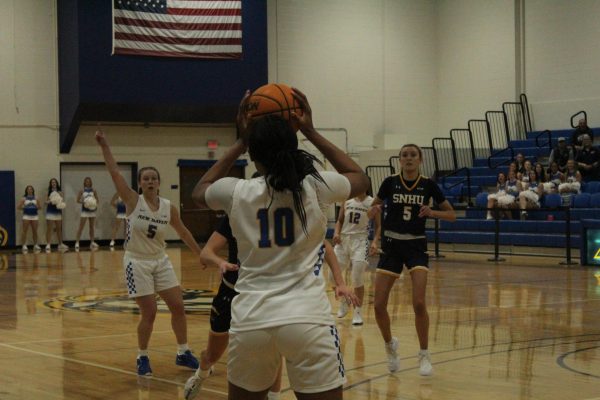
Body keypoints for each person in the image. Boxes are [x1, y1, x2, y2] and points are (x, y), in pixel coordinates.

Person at [192, 88, 369, 400]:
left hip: (251, 322)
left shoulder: (237, 192)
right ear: (293, 144)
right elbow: (359, 177)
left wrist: (241, 140)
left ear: (254, 155)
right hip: (307, 320)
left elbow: (199, 190)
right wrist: (310, 131)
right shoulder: (317, 186)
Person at [184, 215, 357, 400]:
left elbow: (324, 245)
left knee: (275, 348)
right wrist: (220, 262)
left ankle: (274, 396)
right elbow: (206, 252)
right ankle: (200, 375)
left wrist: (340, 282)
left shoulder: (290, 209)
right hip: (231, 291)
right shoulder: (239, 209)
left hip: (267, 295)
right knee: (213, 354)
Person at [95, 129, 202, 376]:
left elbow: (184, 232)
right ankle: (142, 356)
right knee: (150, 312)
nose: (150, 181)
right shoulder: (133, 201)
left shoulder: (168, 207)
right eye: (146, 179)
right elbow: (114, 172)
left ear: (159, 182)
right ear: (140, 183)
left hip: (160, 260)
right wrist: (104, 146)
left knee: (178, 306)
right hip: (137, 262)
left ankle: (183, 352)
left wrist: (200, 253)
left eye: (154, 178)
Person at [367, 144, 456, 377]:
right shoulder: (389, 182)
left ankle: (424, 354)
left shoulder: (428, 184)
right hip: (391, 245)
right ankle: (390, 347)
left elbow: (452, 214)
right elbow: (372, 208)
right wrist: (373, 211)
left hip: (416, 245)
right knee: (378, 306)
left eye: (412, 155)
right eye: (404, 155)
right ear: (399, 160)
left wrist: (432, 212)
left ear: (420, 160)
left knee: (418, 302)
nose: (408, 158)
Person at [332, 191, 380, 325]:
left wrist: (375, 241)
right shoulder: (347, 200)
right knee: (331, 276)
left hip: (360, 241)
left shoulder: (372, 202)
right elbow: (340, 220)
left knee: (357, 277)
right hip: (343, 241)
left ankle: (358, 312)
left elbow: (378, 225)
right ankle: (344, 301)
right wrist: (336, 232)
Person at [75, 177, 99, 250]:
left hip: (92, 211)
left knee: (91, 227)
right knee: (81, 227)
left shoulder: (94, 190)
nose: (88, 182)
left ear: (91, 182)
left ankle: (92, 242)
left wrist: (94, 204)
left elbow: (97, 200)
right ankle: (77, 242)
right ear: (84, 182)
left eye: (89, 181)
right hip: (84, 211)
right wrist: (85, 202)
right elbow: (77, 200)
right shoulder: (82, 190)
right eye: (86, 181)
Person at [45, 178, 68, 252]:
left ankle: (60, 244)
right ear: (50, 184)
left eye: (54, 182)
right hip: (50, 211)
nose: (53, 183)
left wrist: (59, 202)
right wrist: (50, 201)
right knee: (49, 228)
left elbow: (62, 201)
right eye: (52, 182)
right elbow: (46, 201)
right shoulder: (48, 192)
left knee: (59, 228)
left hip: (57, 212)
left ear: (57, 183)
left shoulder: (60, 192)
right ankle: (48, 244)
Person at [17, 185, 42, 253]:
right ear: (26, 190)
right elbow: (18, 207)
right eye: (28, 189)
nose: (30, 190)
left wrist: (37, 206)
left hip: (35, 216)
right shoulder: (24, 198)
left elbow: (40, 207)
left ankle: (35, 245)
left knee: (35, 231)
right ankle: (24, 245)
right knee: (24, 231)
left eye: (31, 189)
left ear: (33, 190)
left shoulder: (36, 198)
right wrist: (25, 207)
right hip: (26, 216)